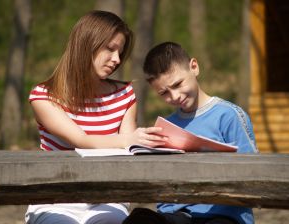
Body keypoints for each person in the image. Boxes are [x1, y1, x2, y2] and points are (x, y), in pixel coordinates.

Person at [25, 10, 166, 224]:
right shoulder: (44, 96)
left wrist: (150, 142)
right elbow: (81, 140)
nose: (116, 59)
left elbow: (129, 151)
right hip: (55, 198)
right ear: (86, 44)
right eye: (110, 49)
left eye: (120, 52)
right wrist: (129, 139)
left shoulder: (124, 94)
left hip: (108, 198)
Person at [124, 42, 258, 224]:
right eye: (164, 93)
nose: (175, 96)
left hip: (222, 214)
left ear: (194, 67)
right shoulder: (167, 126)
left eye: (178, 84)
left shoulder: (228, 116)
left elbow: (253, 173)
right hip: (177, 214)